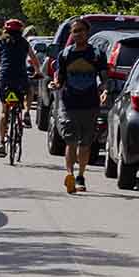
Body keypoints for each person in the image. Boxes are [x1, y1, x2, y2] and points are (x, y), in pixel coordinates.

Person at [50, 21, 107, 194]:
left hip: (90, 103)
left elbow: (104, 78)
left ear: (87, 32)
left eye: (81, 31)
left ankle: (81, 174)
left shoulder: (96, 54)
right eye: (74, 31)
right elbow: (60, 78)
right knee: (71, 140)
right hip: (69, 102)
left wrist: (104, 91)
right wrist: (55, 84)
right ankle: (70, 175)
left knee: (85, 143)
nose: (77, 34)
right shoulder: (65, 54)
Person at [0, 19, 33, 157]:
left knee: (5, 111)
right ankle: (27, 112)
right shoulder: (24, 42)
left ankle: (2, 142)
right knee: (29, 90)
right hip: (21, 77)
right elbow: (34, 59)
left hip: (5, 77)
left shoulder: (1, 42)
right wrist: (38, 71)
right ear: (21, 30)